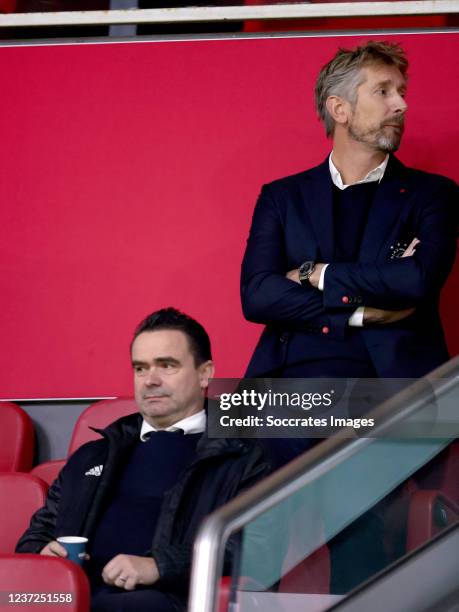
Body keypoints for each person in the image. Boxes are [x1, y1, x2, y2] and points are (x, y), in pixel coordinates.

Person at [17, 308, 270, 612]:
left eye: (166, 365)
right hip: (67, 597)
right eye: (140, 368)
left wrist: (159, 566)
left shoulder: (243, 455)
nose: (150, 380)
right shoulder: (90, 456)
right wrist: (44, 552)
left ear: (205, 373)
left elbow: (256, 548)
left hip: (165, 599)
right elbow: (34, 536)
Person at [241, 40, 458, 380]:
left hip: (395, 391)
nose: (401, 105)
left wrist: (315, 274)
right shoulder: (282, 197)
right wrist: (358, 314)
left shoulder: (434, 194)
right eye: (383, 91)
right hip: (288, 384)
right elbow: (257, 296)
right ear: (339, 109)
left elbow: (416, 280)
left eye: (401, 92)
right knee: (215, 427)